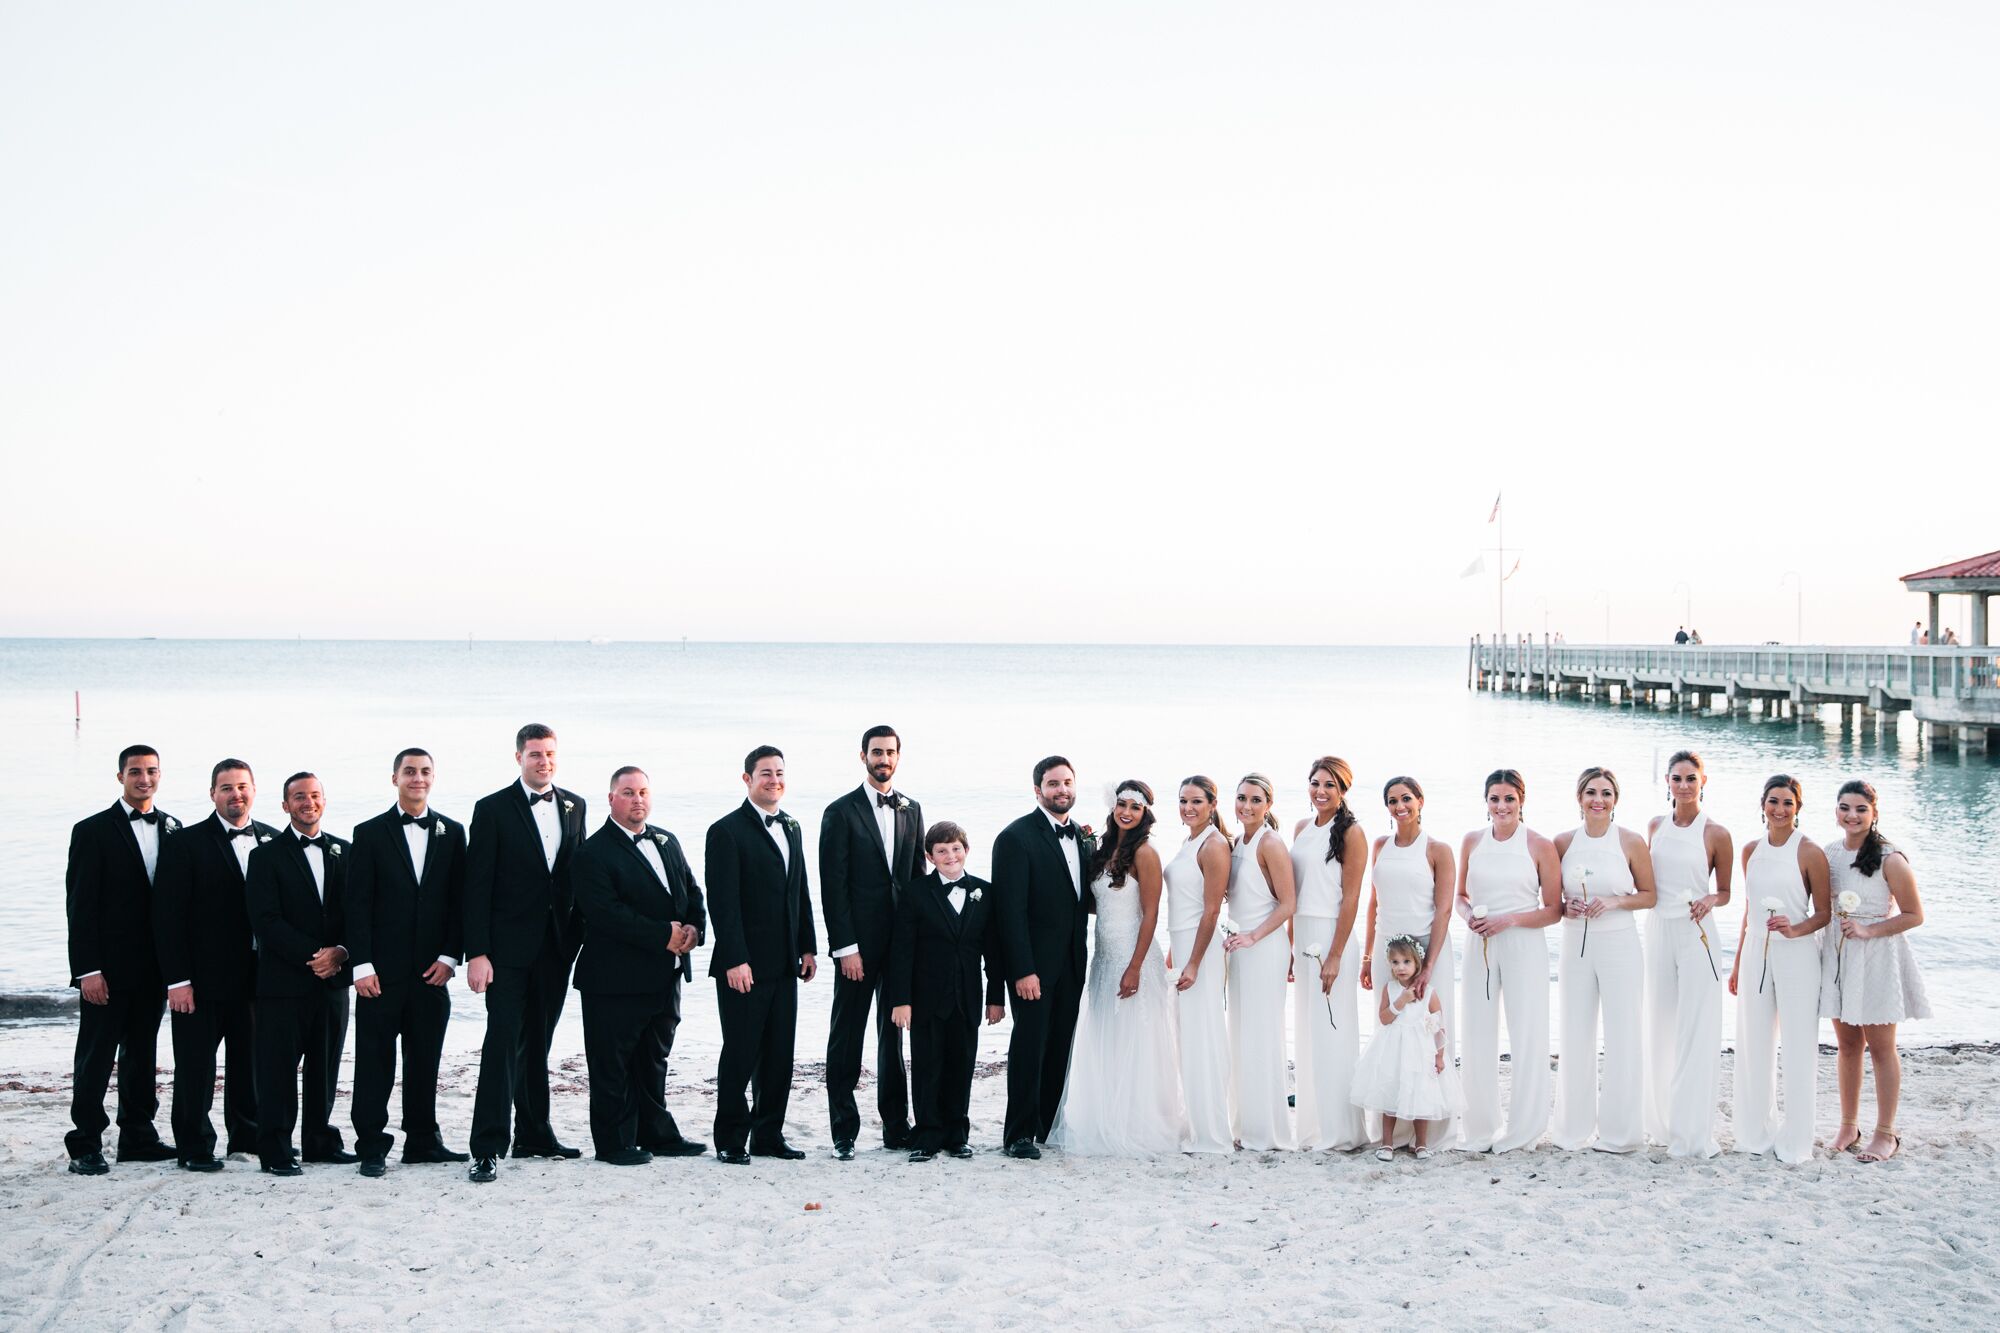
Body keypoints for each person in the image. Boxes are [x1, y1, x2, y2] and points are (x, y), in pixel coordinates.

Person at [464, 724, 589, 1182]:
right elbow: (476, 886)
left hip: (556, 949)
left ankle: (535, 1133)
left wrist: (579, 938)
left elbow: (577, 877)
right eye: (535, 754)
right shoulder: (493, 809)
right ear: (518, 757)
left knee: (539, 1042)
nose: (544, 761)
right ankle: (487, 1146)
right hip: (505, 952)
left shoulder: (576, 806)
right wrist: (476, 952)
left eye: (550, 753)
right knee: (501, 1044)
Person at [573, 766, 708, 1165]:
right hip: (613, 977)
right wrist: (661, 935)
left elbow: (692, 891)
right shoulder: (592, 853)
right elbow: (604, 913)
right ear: (611, 799)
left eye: (643, 792)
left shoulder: (667, 840)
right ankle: (613, 1143)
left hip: (666, 973)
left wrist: (694, 930)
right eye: (628, 792)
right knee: (612, 1063)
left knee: (653, 1058)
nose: (638, 800)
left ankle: (657, 1134)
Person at [1048, 781, 1189, 1156]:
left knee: (1136, 1038)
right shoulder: (1105, 849)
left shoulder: (1145, 852)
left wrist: (1135, 966)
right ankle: (1108, 1114)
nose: (1127, 812)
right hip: (1104, 956)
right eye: (1122, 804)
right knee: (1107, 1037)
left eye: (1136, 807)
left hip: (1133, 956)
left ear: (1146, 814)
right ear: (1113, 808)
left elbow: (1151, 913)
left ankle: (1137, 1120)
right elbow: (1099, 904)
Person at [345, 748, 468, 1176]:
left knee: (425, 1061)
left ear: (434, 777)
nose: (418, 778)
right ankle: (371, 1147)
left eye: (425, 772)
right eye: (410, 772)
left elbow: (459, 903)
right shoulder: (369, 833)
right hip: (380, 974)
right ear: (394, 777)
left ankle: (422, 1141)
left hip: (431, 973)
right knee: (374, 1061)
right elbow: (356, 906)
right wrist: (361, 965)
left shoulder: (453, 833)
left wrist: (450, 958)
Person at [154, 758, 273, 1169]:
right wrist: (177, 981)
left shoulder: (274, 841)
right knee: (195, 1070)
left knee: (249, 1067)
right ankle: (194, 1147)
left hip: (256, 981)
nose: (235, 794)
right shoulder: (184, 844)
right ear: (212, 794)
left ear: (254, 790)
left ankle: (248, 1138)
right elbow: (167, 919)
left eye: (242, 786)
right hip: (200, 983)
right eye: (226, 788)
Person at [64, 744, 178, 1175]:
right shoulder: (91, 831)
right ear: (120, 777)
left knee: (142, 1054)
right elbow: (80, 906)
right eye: (135, 772)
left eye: (151, 771)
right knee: (95, 1056)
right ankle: (86, 1143)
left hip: (153, 970)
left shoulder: (173, 828)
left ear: (159, 775)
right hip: (106, 971)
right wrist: (87, 970)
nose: (144, 779)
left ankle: (137, 1136)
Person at [706, 745, 818, 1164]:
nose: (774, 780)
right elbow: (723, 902)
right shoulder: (726, 831)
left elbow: (800, 891)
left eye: (779, 773)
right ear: (747, 779)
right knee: (740, 1052)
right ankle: (731, 1139)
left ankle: (768, 1134)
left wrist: (807, 946)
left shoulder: (792, 827)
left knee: (778, 1056)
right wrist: (735, 958)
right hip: (744, 966)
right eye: (765, 773)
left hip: (784, 963)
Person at [819, 725, 924, 1159]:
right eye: (876, 752)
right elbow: (833, 884)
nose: (884, 759)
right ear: (862, 756)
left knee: (893, 1036)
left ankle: (896, 1127)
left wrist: (919, 941)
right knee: (847, 1036)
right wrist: (846, 948)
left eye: (890, 752)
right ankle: (843, 1130)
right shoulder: (840, 812)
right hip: (857, 948)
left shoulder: (911, 808)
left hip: (900, 945)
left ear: (899, 757)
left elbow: (916, 877)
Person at [245, 772, 356, 1175]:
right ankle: (275, 1149)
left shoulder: (347, 851)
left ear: (324, 801)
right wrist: (315, 956)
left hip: (334, 982)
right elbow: (266, 920)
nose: (307, 803)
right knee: (277, 1068)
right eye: (298, 797)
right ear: (285, 805)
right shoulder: (266, 856)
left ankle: (319, 1142)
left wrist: (341, 953)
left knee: (325, 1068)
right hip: (283, 983)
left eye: (314, 796)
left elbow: (360, 916)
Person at [1820, 780, 1929, 1163]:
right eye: (1845, 807)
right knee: (1848, 1045)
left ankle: (1886, 1133)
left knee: (1882, 1048)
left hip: (1878, 954)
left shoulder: (1890, 857)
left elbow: (1914, 915)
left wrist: (1868, 930)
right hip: (1839, 955)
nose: (1852, 815)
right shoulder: (1828, 854)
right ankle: (1849, 1125)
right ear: (1836, 811)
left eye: (1860, 809)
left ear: (1874, 813)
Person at [994, 755, 1095, 1160]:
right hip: (1033, 968)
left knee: (1060, 1047)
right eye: (1053, 784)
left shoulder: (1083, 838)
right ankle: (1017, 1133)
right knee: (1029, 1047)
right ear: (1038, 790)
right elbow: (1009, 913)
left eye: (1067, 782)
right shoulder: (1015, 838)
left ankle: (1047, 1126)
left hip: (1072, 963)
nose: (1062, 790)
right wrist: (1022, 970)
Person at [1551, 767, 1657, 1154]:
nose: (1599, 799)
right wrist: (1567, 906)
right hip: (1575, 945)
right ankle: (1573, 1130)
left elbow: (1649, 895)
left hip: (1620, 945)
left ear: (1616, 799)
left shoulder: (1630, 841)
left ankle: (1620, 1132)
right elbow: (1551, 903)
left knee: (1623, 1034)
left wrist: (1613, 901)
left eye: (1606, 793)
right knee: (1575, 1033)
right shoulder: (1562, 842)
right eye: (1591, 792)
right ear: (1579, 798)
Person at [1458, 768, 1563, 1153]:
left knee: (1528, 1034)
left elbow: (1555, 909)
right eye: (1494, 799)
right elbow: (1459, 895)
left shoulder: (1539, 845)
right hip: (1480, 944)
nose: (1501, 806)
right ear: (1486, 802)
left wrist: (1511, 919)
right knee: (1476, 1033)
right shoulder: (1471, 841)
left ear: (1522, 801)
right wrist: (1467, 916)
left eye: (1509, 799)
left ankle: (1524, 1129)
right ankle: (1480, 1128)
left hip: (1524, 943)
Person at [887, 822, 1005, 1162]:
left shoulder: (985, 892)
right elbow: (902, 951)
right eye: (941, 851)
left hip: (966, 997)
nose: (950, 856)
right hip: (924, 1000)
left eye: (955, 849)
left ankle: (957, 1134)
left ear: (966, 851)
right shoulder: (915, 893)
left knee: (962, 1065)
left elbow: (993, 952)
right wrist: (901, 1000)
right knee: (927, 1065)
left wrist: (995, 998)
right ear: (929, 856)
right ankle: (926, 1134)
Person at [1727, 774, 1830, 1165]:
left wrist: (1794, 929)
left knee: (1799, 1045)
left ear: (1798, 808)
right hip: (1756, 952)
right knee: (1754, 1043)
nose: (1779, 809)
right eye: (1773, 801)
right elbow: (1748, 911)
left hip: (1797, 953)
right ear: (1762, 804)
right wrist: (1738, 962)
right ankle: (1756, 1132)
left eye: (1788, 803)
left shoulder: (1810, 853)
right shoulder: (1750, 849)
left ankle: (1796, 1139)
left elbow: (1823, 913)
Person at [1644, 751, 1733, 1158]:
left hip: (1697, 933)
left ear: (1703, 782)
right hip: (1659, 929)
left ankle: (1693, 1129)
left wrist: (1711, 899)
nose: (1683, 785)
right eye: (1677, 778)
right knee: (1660, 1025)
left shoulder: (1716, 833)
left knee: (1696, 1029)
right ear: (1667, 781)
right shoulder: (1655, 826)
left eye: (1691, 778)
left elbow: (1727, 891)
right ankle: (1662, 1123)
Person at [1363, 776, 1457, 1149]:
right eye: (1392, 800)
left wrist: (1429, 965)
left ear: (1420, 801)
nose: (1399, 806)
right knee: (1392, 1035)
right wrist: (1369, 953)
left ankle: (1427, 1132)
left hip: (1426, 949)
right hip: (1388, 952)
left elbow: (1445, 909)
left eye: (1406, 799)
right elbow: (1374, 902)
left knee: (1425, 1031)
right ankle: (1391, 1130)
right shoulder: (1380, 845)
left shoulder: (1438, 849)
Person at [1289, 757, 1368, 1152]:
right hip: (1302, 935)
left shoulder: (1352, 832)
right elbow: (1293, 894)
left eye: (1330, 785)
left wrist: (1335, 955)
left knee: (1333, 1032)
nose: (1321, 791)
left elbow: (1351, 897)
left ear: (1343, 791)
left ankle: (1341, 1131)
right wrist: (1290, 945)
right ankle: (1313, 1127)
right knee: (1308, 1032)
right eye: (1315, 783)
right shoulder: (1302, 829)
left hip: (1332, 935)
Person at [1223, 773, 1297, 1151]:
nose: (1246, 806)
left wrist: (1253, 935)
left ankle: (1265, 1130)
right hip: (1239, 949)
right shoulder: (1237, 842)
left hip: (1264, 948)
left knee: (1262, 1035)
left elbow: (1288, 904)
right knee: (1241, 1034)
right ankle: (1242, 1123)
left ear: (1269, 804)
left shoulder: (1270, 843)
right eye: (1241, 798)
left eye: (1255, 800)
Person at [1165, 776, 1233, 1154]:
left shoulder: (1214, 845)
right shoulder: (1190, 840)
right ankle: (1198, 1123)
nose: (1188, 807)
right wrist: (1174, 953)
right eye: (1182, 801)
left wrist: (1192, 962)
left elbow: (1210, 910)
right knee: (1189, 1037)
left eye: (1195, 801)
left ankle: (1212, 1133)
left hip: (1201, 950)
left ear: (1211, 803)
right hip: (1183, 943)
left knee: (1204, 1034)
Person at [1351, 935, 1463, 1160]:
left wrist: (1439, 1056)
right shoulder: (1390, 989)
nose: (1400, 967)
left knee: (1422, 1096)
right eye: (1395, 962)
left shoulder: (1428, 992)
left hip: (1420, 1051)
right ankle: (1387, 1144)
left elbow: (1438, 1026)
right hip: (1393, 1051)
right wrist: (1401, 1001)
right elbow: (1384, 1019)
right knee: (1389, 1095)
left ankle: (1421, 1144)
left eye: (1406, 962)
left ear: (1417, 963)